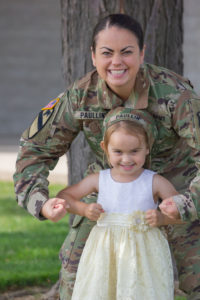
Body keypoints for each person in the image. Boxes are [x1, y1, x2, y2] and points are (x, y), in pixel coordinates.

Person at [13, 13, 200, 299]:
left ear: (142, 53)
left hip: (174, 193)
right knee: (76, 282)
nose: (117, 62)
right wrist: (41, 202)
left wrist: (188, 202)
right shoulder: (80, 96)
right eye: (106, 53)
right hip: (107, 198)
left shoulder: (174, 95)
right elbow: (34, 151)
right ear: (93, 56)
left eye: (126, 52)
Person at [56, 107, 182, 300]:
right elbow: (65, 196)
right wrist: (84, 209)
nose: (126, 158)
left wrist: (162, 217)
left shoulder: (155, 181)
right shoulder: (99, 179)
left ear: (147, 148)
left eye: (134, 151)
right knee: (103, 291)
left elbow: (181, 212)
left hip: (143, 254)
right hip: (105, 253)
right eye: (118, 151)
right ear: (105, 148)